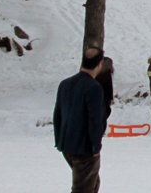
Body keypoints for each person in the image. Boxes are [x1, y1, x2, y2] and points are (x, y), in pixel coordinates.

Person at [53, 47, 106, 193]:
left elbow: (57, 115)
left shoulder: (65, 84)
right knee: (84, 188)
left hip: (67, 144)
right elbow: (95, 120)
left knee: (93, 182)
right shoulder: (93, 87)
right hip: (84, 147)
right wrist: (95, 147)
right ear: (99, 64)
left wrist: (59, 140)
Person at [95, 56, 115, 125]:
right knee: (106, 111)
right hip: (105, 97)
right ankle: (101, 126)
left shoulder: (97, 73)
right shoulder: (107, 72)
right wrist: (111, 98)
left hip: (97, 96)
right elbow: (109, 86)